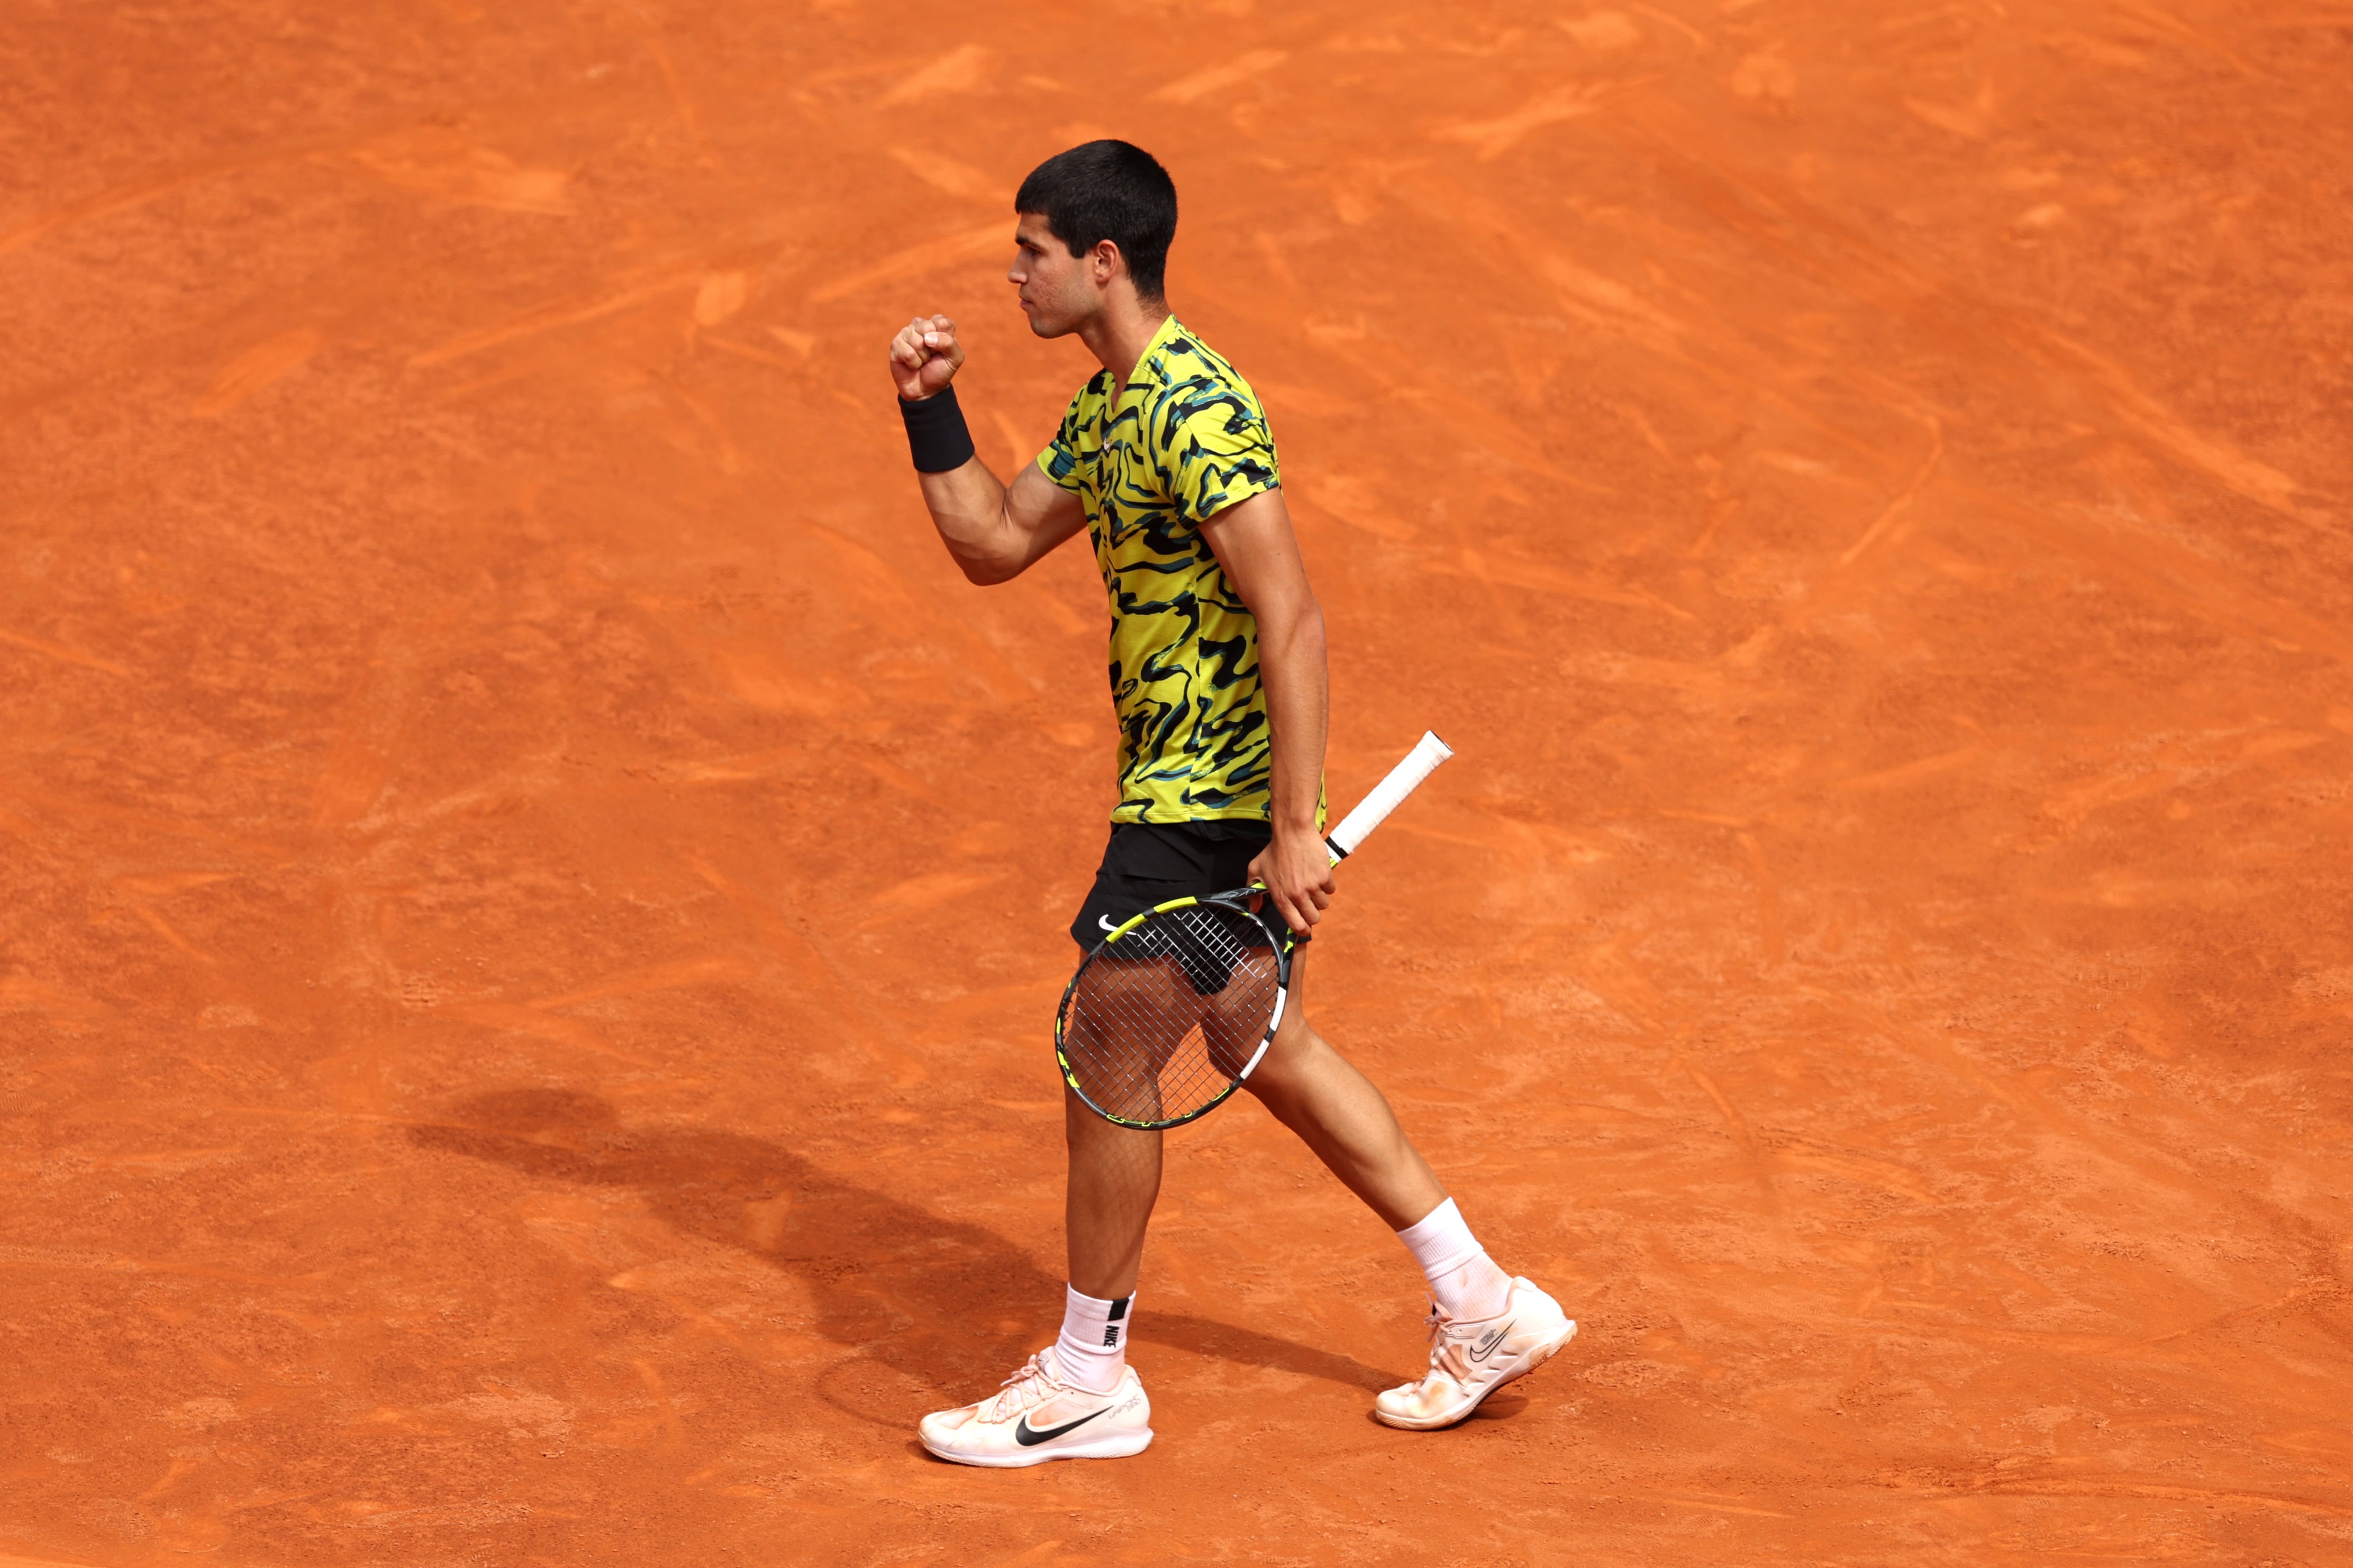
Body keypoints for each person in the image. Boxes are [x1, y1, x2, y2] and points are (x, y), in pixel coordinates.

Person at [886, 140, 1574, 1467]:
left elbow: (1294, 615)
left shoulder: (1197, 410)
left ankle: (1088, 1375)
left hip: (1208, 791)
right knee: (1263, 1040)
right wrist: (929, 407)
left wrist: (1296, 820)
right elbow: (991, 544)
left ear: (1102, 261)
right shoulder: (1110, 406)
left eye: (1029, 249)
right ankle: (1483, 1304)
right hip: (1189, 779)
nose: (1011, 271)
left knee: (1109, 1051)